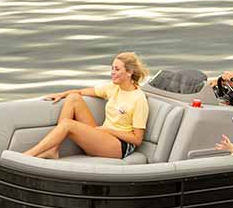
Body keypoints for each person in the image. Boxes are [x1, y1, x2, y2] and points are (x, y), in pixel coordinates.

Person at [22, 52, 150, 159]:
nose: (112, 72)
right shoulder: (113, 87)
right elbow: (81, 92)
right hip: (103, 135)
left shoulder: (139, 99)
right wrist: (61, 94)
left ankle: (28, 156)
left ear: (129, 72)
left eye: (117, 69)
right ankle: (53, 149)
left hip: (120, 146)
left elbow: (137, 139)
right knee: (73, 98)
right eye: (112, 68)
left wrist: (108, 130)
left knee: (67, 124)